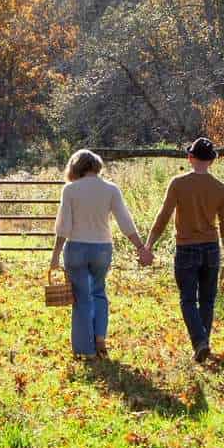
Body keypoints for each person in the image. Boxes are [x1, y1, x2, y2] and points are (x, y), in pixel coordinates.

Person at [50, 149, 151, 358]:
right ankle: (100, 338)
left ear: (76, 167)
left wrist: (55, 255)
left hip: (76, 246)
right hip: (102, 248)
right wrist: (141, 248)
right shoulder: (111, 189)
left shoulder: (70, 190)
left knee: (81, 298)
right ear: (97, 166)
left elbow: (64, 227)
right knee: (98, 292)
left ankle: (85, 350)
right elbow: (125, 221)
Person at [148, 136, 224, 362]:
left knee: (188, 299)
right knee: (207, 299)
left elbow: (164, 216)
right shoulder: (221, 189)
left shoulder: (179, 183)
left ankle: (199, 341)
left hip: (186, 248)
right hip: (211, 249)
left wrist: (149, 244)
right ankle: (203, 341)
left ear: (190, 158)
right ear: (212, 161)